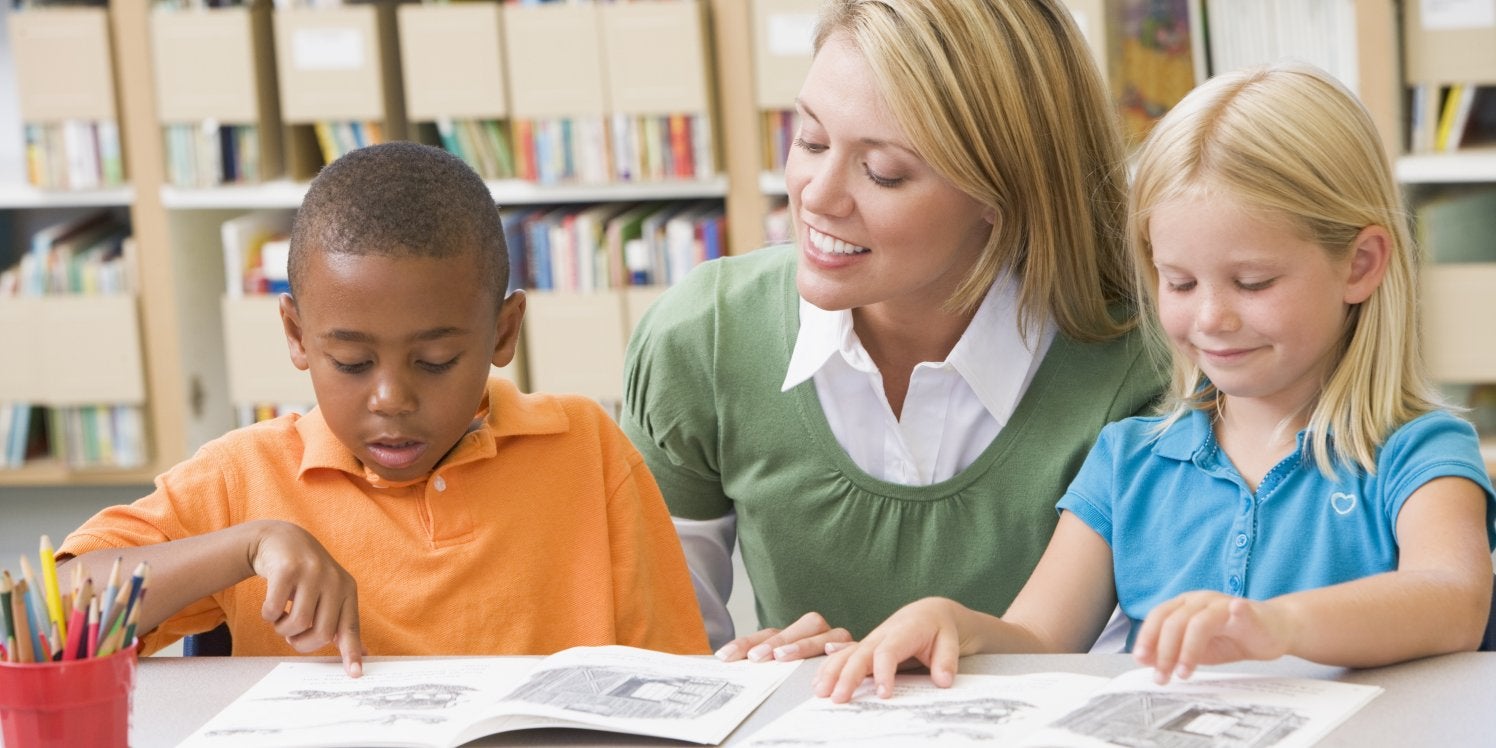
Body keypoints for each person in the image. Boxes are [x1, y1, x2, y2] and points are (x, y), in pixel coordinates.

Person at [814, 63, 1496, 702]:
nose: (1211, 317)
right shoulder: (1128, 460)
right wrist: (951, 623)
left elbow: (1452, 599)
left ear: (1361, 264)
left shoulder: (1418, 451)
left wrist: (1278, 627)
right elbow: (1041, 640)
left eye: (1253, 282)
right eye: (1179, 281)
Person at [622, 0, 1163, 660]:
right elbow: (662, 660)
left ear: (1002, 196)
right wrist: (739, 678)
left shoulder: (1144, 368)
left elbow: (1132, 680)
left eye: (881, 171)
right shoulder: (702, 338)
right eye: (811, 140)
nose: (816, 195)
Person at [57, 143, 709, 676]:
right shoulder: (243, 480)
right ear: (296, 335)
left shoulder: (585, 449)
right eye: (351, 363)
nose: (391, 398)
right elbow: (39, 629)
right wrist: (248, 546)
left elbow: (675, 683)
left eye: (434, 362)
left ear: (504, 332)